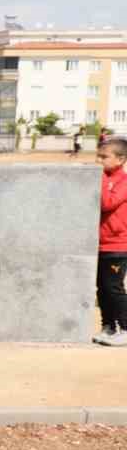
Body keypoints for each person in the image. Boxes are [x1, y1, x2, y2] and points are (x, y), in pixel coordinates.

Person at [96, 135, 127, 345]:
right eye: (99, 156)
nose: (100, 161)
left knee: (114, 288)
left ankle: (125, 328)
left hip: (118, 245)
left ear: (120, 159)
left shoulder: (122, 182)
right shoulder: (105, 177)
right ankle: (108, 327)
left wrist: (98, 180)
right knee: (102, 288)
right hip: (101, 243)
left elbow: (107, 203)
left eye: (104, 157)